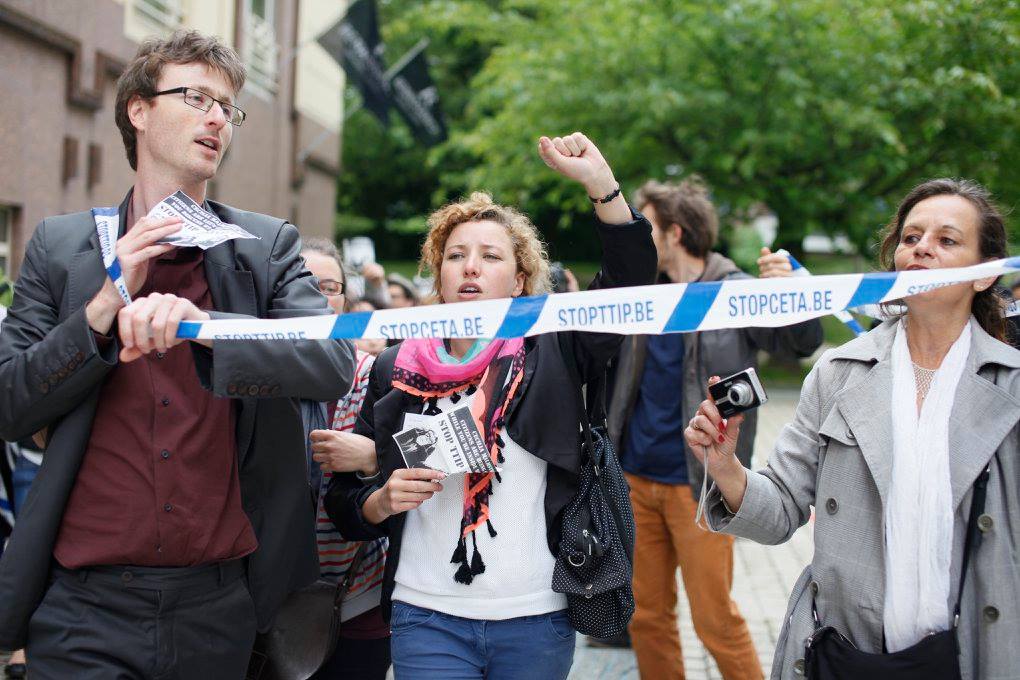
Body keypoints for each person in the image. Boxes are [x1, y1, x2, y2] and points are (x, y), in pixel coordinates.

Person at [0, 30, 356, 677]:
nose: (217, 117)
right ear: (138, 109)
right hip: (85, 607)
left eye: (228, 107)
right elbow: (8, 404)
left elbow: (331, 361)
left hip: (218, 609)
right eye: (197, 97)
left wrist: (212, 326)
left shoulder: (265, 245)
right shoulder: (59, 248)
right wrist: (102, 311)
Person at [324, 132, 656, 679]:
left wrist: (601, 187)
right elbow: (345, 503)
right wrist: (379, 501)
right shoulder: (392, 370)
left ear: (521, 279)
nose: (471, 267)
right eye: (455, 256)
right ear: (439, 276)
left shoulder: (556, 347)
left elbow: (630, 285)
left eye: (490, 256)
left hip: (535, 617)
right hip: (424, 614)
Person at [686, 178, 1020, 679]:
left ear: (984, 275)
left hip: (979, 655)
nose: (921, 248)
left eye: (947, 240)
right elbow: (779, 511)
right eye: (910, 238)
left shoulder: (1011, 383)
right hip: (848, 655)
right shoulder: (838, 372)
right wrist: (726, 466)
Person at [604, 178, 823, 678]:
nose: (636, 237)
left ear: (675, 233)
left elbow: (802, 343)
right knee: (647, 617)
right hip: (635, 480)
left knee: (713, 620)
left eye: (646, 227)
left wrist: (792, 292)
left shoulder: (736, 290)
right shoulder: (641, 293)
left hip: (699, 486)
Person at [300, 238, 392, 680]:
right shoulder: (247, 374)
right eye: (302, 284)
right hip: (264, 591)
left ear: (345, 300)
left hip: (358, 590)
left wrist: (374, 455)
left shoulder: (374, 373)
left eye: (329, 287)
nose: (317, 298)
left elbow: (424, 454)